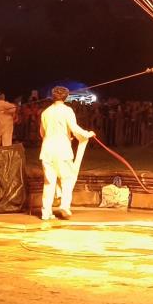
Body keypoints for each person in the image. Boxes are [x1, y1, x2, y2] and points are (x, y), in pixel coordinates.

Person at [40, 86, 95, 221]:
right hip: (62, 149)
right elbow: (74, 128)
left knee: (49, 182)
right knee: (67, 179)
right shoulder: (67, 110)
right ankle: (64, 206)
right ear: (66, 97)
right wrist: (87, 134)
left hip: (47, 150)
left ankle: (46, 213)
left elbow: (42, 133)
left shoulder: (45, 112)